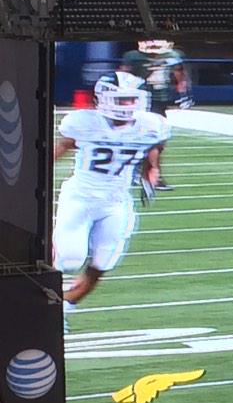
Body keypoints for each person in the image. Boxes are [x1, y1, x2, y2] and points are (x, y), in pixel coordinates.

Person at [53, 72, 170, 333]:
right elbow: (58, 149)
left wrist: (152, 173)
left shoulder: (151, 124)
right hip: (81, 196)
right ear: (103, 99)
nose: (128, 105)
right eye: (121, 99)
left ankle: (59, 310)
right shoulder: (84, 122)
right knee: (69, 258)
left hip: (116, 201)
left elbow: (155, 148)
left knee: (102, 264)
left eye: (132, 100)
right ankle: (35, 298)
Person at [120, 39, 189, 190]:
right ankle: (148, 175)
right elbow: (123, 77)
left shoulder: (172, 55)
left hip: (160, 101)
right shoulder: (134, 57)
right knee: (144, 139)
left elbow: (179, 74)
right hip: (140, 100)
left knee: (159, 141)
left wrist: (183, 94)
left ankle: (146, 174)